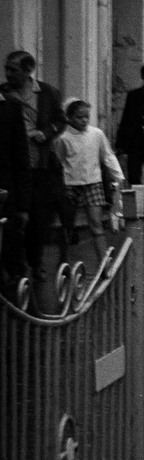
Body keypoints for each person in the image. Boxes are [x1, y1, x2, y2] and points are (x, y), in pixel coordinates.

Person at [4, 51, 68, 299]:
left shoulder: (48, 93)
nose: (9, 74)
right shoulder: (3, 93)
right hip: (12, 167)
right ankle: (15, 267)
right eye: (7, 69)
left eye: (14, 70)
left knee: (38, 220)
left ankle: (36, 261)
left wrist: (47, 132)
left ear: (29, 70)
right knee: (13, 218)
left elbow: (61, 121)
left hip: (39, 165)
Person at [54, 100, 125, 264]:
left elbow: (108, 156)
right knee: (67, 225)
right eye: (80, 117)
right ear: (69, 118)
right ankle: (63, 262)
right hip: (70, 184)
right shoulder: (63, 138)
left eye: (87, 117)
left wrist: (118, 176)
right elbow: (59, 162)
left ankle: (104, 262)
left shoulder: (96, 134)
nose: (85, 120)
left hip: (93, 182)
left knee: (96, 223)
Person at [0, 86, 34, 304]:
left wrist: (23, 205)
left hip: (6, 194)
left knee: (10, 247)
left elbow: (21, 157)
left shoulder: (10, 106)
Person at [115, 63, 144, 200]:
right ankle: (138, 208)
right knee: (134, 177)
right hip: (136, 142)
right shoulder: (134, 95)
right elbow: (126, 118)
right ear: (143, 77)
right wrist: (121, 143)